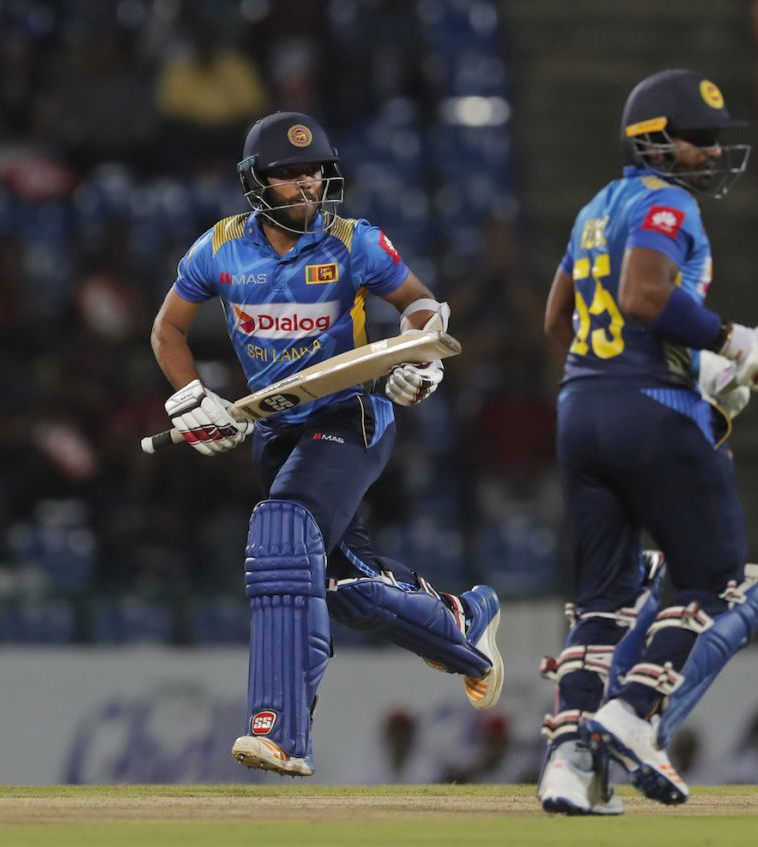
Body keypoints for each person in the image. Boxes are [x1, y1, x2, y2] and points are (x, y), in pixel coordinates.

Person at [149, 111, 503, 778]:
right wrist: (195, 396)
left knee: (281, 528)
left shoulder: (354, 242)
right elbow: (167, 329)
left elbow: (422, 305)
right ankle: (462, 624)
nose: (306, 185)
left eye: (314, 172)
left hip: (352, 413)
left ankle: (280, 728)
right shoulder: (219, 249)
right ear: (257, 183)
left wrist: (419, 358)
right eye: (288, 174)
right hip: (277, 432)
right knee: (340, 586)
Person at [534, 70, 758, 814]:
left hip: (580, 407)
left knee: (602, 599)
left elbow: (556, 317)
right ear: (654, 140)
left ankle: (569, 763)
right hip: (648, 405)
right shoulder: (667, 201)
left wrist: (689, 361)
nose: (707, 154)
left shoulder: (594, 208)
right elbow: (643, 296)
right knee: (714, 572)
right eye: (697, 140)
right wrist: (731, 344)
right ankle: (631, 713)